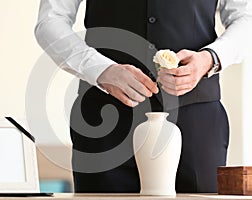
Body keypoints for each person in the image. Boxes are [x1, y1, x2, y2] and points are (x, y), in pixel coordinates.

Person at [35, 0, 252, 193]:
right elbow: (51, 20)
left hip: (198, 123)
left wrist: (210, 58)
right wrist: (101, 70)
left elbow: (246, 17)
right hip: (104, 122)